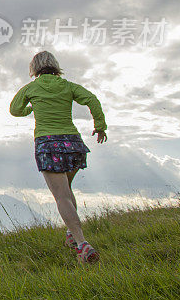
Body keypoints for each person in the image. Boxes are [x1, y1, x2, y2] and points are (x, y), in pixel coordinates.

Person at [9, 51, 107, 263]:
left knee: (61, 196)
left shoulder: (31, 88)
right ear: (55, 66)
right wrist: (100, 126)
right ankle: (71, 236)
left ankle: (82, 244)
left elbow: (15, 110)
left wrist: (30, 110)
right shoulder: (68, 86)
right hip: (72, 143)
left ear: (34, 68)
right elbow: (92, 99)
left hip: (48, 144)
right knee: (67, 190)